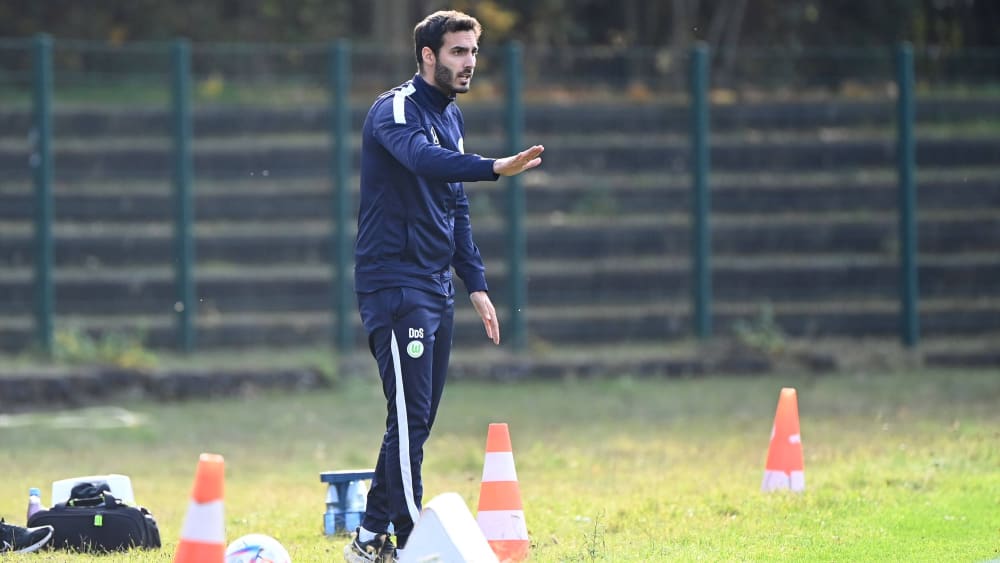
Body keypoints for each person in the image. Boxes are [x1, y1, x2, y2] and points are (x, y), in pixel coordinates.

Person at [345, 9, 544, 563]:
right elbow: (422, 159)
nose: (469, 63)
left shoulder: (451, 117)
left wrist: (475, 282)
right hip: (394, 283)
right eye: (459, 52)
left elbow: (453, 201)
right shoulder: (396, 108)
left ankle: (367, 542)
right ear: (429, 56)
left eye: (474, 53)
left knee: (419, 417)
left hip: (436, 286)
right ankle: (411, 541)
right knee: (408, 415)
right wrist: (493, 166)